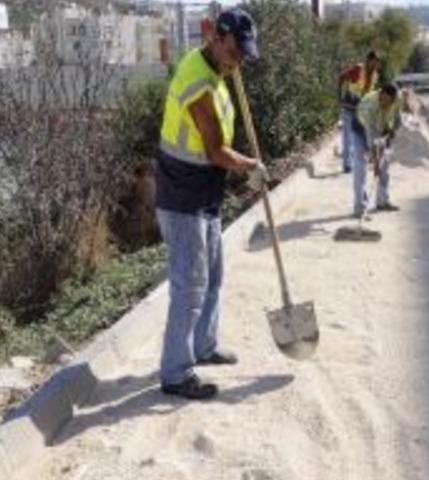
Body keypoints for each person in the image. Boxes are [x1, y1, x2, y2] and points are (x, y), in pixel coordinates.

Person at [155, 7, 265, 400]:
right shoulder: (197, 81)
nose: (239, 61)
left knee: (213, 278)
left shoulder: (218, 71)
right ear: (216, 37)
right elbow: (216, 150)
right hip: (182, 195)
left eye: (243, 54)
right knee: (189, 286)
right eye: (236, 51)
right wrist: (251, 166)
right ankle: (175, 372)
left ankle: (204, 345)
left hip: (205, 193)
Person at [351, 83, 402, 217]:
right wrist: (375, 160)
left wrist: (392, 131)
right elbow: (371, 138)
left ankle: (382, 201)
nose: (388, 105)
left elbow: (398, 120)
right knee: (360, 167)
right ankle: (359, 208)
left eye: (391, 102)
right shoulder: (370, 105)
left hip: (381, 129)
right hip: (361, 130)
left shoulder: (396, 99)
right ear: (382, 94)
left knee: (385, 167)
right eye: (386, 101)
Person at [338, 51, 381, 173]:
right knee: (347, 137)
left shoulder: (375, 75)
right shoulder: (358, 69)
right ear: (368, 60)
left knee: (364, 135)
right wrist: (339, 98)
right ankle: (347, 165)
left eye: (377, 63)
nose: (375, 65)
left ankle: (364, 159)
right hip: (348, 108)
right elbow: (341, 77)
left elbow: (369, 94)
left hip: (361, 111)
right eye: (374, 62)